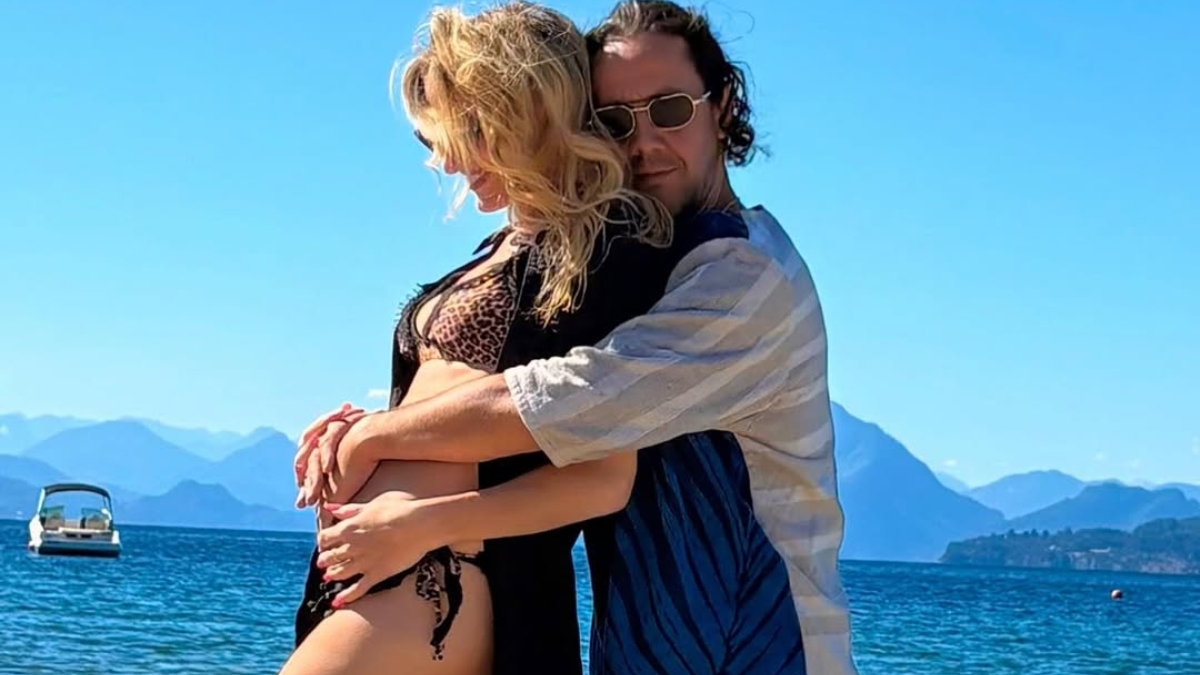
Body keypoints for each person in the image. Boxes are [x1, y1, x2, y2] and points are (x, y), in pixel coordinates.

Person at [296, 2, 859, 674]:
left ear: (723, 107)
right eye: (615, 120)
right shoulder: (642, 257)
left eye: (669, 109)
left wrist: (377, 441)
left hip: (759, 652)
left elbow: (576, 404)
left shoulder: (744, 274)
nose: (642, 141)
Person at [279, 3, 696, 674]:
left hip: (441, 577)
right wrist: (360, 430)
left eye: (473, 127)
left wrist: (421, 523)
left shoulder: (607, 245)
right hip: (379, 571)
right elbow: (452, 410)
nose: (449, 157)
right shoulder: (496, 251)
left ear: (530, 113)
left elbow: (603, 478)